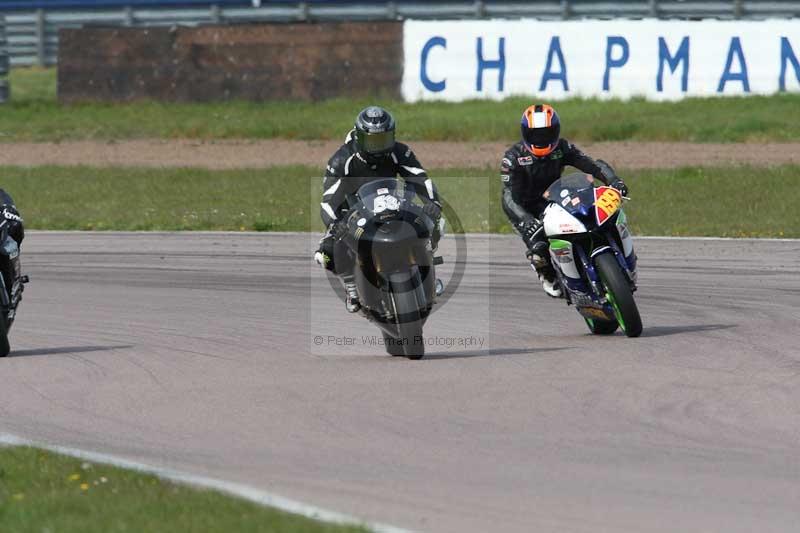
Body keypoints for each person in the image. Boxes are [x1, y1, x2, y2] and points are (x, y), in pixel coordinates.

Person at [314, 106, 442, 313]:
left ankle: (427, 269)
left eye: (384, 140)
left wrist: (433, 204)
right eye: (373, 142)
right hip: (354, 213)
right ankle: (351, 287)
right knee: (326, 254)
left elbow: (420, 178)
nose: (379, 147)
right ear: (359, 137)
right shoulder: (342, 160)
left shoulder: (399, 151)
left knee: (434, 221)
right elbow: (328, 200)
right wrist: (334, 223)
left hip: (394, 205)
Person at [501, 104, 627, 298]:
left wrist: (613, 180)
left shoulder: (562, 147)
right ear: (526, 134)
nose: (541, 139)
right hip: (525, 208)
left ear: (556, 131)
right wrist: (525, 220)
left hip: (555, 198)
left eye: (546, 133)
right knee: (540, 247)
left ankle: (619, 258)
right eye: (536, 135)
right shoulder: (513, 158)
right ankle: (547, 274)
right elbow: (508, 196)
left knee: (595, 218)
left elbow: (591, 165)